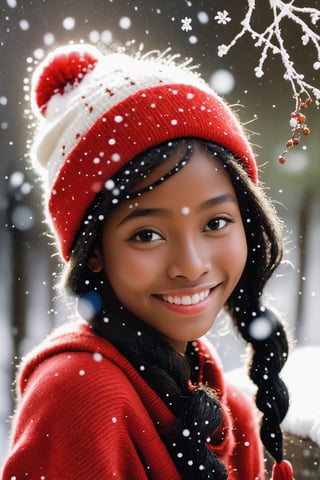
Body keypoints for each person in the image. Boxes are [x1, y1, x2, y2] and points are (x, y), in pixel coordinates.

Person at [1, 43, 294, 480]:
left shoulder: (226, 405)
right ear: (94, 252)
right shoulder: (79, 393)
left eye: (215, 222)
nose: (191, 265)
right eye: (147, 234)